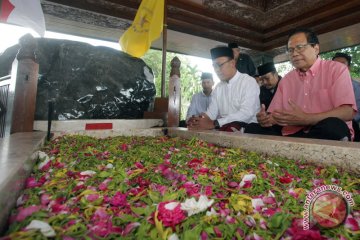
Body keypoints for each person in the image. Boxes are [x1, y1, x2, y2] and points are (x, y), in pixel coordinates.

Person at [245, 28, 357, 141]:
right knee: (251, 128)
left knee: (334, 126)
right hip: (293, 133)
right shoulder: (287, 80)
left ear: (316, 48)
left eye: (299, 47)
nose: (294, 54)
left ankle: (293, 149)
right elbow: (276, 116)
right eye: (290, 50)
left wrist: (307, 119)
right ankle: (298, 149)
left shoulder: (337, 70)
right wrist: (267, 119)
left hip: (322, 130)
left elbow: (348, 112)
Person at [187, 46, 260, 131]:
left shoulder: (248, 82)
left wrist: (215, 123)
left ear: (232, 63)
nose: (216, 70)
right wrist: (198, 120)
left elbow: (246, 113)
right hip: (226, 131)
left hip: (249, 132)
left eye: (219, 65)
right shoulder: (218, 87)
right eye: (214, 66)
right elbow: (211, 113)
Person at [332, 52, 360, 141]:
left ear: (348, 68)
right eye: (335, 65)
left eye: (342, 65)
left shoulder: (358, 87)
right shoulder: (326, 88)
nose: (338, 68)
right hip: (331, 124)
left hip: (353, 124)